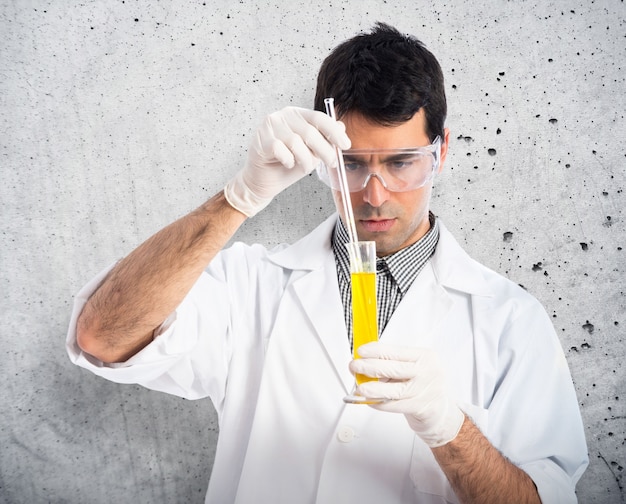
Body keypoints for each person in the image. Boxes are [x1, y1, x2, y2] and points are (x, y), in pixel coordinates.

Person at [67, 23, 588, 504]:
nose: (375, 194)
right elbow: (102, 336)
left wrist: (449, 428)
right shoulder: (251, 287)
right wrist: (238, 198)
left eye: (403, 163)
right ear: (323, 158)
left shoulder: (510, 319)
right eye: (353, 166)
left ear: (442, 152)